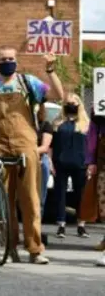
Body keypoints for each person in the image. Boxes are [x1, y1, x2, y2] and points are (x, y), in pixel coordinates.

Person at [0, 47, 63, 264]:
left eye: (11, 58)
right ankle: (8, 246)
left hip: (26, 145)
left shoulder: (28, 82)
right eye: (3, 58)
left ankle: (35, 249)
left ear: (16, 60)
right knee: (2, 201)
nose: (7, 61)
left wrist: (50, 69)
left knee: (30, 199)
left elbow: (58, 96)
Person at [51, 93, 90, 239]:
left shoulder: (86, 123)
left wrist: (90, 164)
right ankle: (61, 225)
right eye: (68, 103)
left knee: (81, 195)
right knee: (60, 195)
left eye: (74, 103)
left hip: (80, 163)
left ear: (79, 105)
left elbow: (90, 146)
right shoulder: (57, 122)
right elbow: (51, 145)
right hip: (60, 163)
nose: (71, 106)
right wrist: (50, 162)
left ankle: (81, 225)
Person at [84, 108, 105, 252]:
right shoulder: (99, 104)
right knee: (103, 203)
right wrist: (91, 160)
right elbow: (92, 134)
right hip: (103, 159)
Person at [37, 103, 53, 245]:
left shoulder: (45, 125)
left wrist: (28, 151)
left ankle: (37, 230)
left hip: (40, 162)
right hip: (23, 161)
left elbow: (44, 147)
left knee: (39, 200)